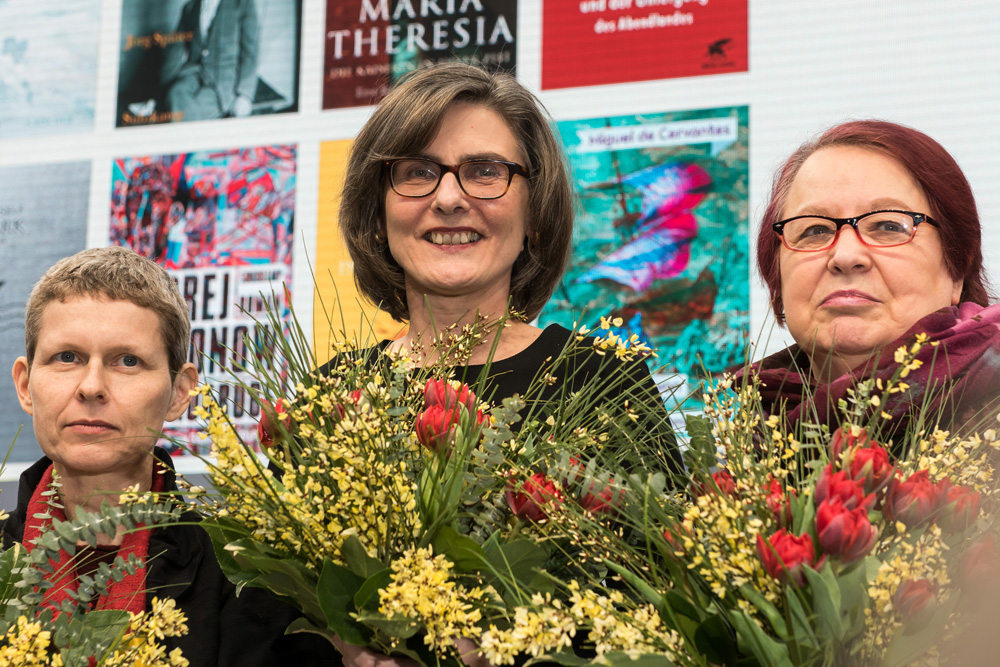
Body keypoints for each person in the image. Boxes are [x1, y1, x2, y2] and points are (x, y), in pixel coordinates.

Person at [333, 62, 680, 665]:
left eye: (485, 171)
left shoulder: (602, 380)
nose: (448, 198)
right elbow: (274, 619)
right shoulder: (335, 393)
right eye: (417, 172)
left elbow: (666, 606)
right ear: (377, 211)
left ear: (534, 211)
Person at [3, 246, 330, 666]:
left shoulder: (249, 576)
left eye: (128, 361)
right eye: (67, 357)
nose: (91, 386)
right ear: (26, 385)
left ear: (179, 392)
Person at [752, 120, 1000, 434]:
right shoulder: (742, 440)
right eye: (814, 230)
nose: (845, 256)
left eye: (888, 226)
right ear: (776, 277)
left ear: (957, 269)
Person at [160, 0, 260, 121]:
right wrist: (160, 93)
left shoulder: (242, 4)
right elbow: (175, 51)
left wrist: (245, 95)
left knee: (188, 111)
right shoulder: (190, 7)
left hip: (223, 85)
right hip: (193, 75)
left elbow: (250, 53)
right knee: (174, 93)